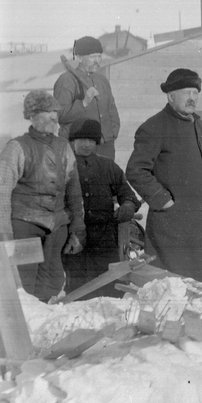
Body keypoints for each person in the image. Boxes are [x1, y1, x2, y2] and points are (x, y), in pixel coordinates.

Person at [126, 69, 202, 282]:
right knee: (176, 286)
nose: (192, 98)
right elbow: (136, 170)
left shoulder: (198, 124)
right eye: (186, 92)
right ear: (171, 96)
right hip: (173, 225)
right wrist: (163, 200)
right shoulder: (154, 127)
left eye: (195, 93)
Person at [0, 91, 85, 300]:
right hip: (25, 227)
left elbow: (74, 191)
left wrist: (77, 228)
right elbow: (0, 194)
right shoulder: (16, 147)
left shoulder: (64, 147)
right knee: (25, 286)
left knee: (53, 283)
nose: (54, 117)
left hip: (57, 227)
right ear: (32, 117)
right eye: (47, 112)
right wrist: (5, 236)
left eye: (55, 112)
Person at [64, 118, 139, 294]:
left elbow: (128, 195)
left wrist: (127, 206)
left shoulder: (108, 166)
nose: (87, 144)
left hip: (104, 239)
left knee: (110, 288)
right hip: (74, 236)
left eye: (91, 140)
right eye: (82, 139)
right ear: (73, 141)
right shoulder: (63, 167)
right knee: (77, 291)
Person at [53, 35, 121, 159]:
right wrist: (83, 103)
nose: (97, 61)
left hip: (105, 147)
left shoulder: (102, 80)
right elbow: (59, 115)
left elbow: (111, 109)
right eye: (92, 57)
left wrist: (112, 134)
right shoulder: (66, 81)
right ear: (79, 58)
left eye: (99, 56)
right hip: (78, 148)